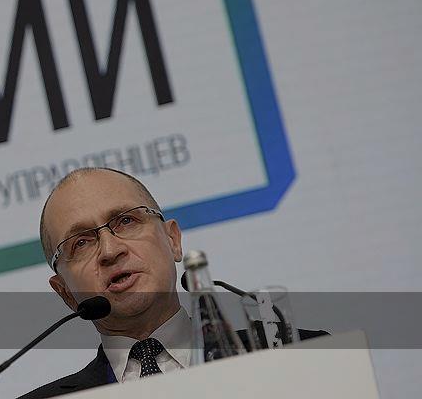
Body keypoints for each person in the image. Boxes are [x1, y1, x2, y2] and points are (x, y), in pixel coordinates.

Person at [18, 167, 324, 398]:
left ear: (173, 240)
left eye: (126, 220)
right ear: (65, 292)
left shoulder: (303, 356)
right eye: (81, 242)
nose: (110, 251)